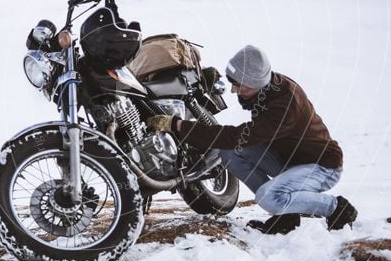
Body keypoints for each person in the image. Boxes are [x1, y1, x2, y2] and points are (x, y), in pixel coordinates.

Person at [147, 44, 357, 234]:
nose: (234, 90)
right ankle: (286, 216)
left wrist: (178, 125)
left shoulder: (283, 107)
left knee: (269, 197)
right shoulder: (269, 85)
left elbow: (237, 136)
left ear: (256, 82)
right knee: (230, 153)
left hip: (321, 167)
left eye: (240, 85)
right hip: (290, 162)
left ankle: (337, 208)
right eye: (232, 82)